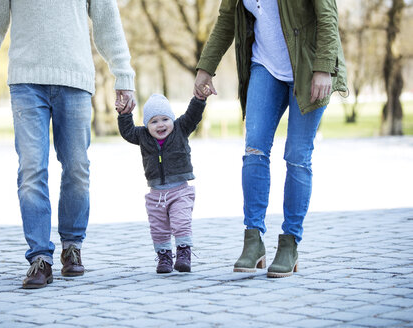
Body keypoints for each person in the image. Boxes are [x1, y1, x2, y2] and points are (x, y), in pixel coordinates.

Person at [0, 0, 136, 289]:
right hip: (27, 82)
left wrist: (123, 73)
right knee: (32, 169)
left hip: (75, 80)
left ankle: (72, 246)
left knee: (77, 168)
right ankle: (40, 258)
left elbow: (107, 20)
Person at [194, 0, 347, 277]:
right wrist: (206, 68)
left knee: (297, 156)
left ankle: (290, 243)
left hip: (309, 66)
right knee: (254, 150)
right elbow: (227, 20)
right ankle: (253, 240)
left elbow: (327, 16)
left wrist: (324, 67)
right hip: (265, 67)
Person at [117, 94, 206, 274]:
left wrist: (199, 99)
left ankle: (183, 254)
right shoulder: (142, 136)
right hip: (156, 194)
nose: (161, 125)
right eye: (154, 121)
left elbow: (193, 115)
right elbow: (127, 132)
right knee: (158, 228)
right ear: (146, 125)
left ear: (172, 119)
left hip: (180, 190)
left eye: (165, 119)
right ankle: (164, 257)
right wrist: (124, 114)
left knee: (181, 222)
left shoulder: (181, 128)